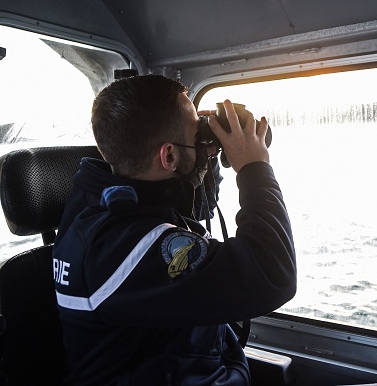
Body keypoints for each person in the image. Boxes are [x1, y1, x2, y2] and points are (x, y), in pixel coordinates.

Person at [52, 74, 297, 385]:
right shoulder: (122, 249)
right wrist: (254, 168)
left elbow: (193, 211)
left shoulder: (115, 207)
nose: (202, 140)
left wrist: (199, 150)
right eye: (196, 136)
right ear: (168, 156)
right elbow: (272, 273)